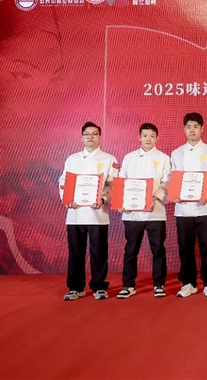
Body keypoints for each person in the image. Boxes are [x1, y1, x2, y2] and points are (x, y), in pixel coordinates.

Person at [59, 122, 118, 301]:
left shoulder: (110, 159)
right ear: (81, 138)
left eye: (94, 134)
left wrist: (103, 200)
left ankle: (99, 287)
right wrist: (68, 200)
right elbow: (63, 181)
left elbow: (114, 185)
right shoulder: (72, 159)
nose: (90, 137)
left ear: (100, 137)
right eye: (87, 134)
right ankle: (75, 287)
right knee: (75, 252)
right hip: (75, 213)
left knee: (98, 252)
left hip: (97, 213)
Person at [116, 123, 171, 299]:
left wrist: (153, 198)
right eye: (145, 135)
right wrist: (121, 201)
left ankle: (159, 285)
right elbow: (121, 181)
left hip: (156, 212)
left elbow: (167, 182)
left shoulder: (164, 158)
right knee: (130, 251)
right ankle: (128, 285)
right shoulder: (129, 157)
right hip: (132, 213)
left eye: (152, 136)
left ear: (157, 138)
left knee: (158, 250)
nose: (148, 139)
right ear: (139, 137)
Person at [170, 113, 207, 298]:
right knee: (185, 247)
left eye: (195, 127)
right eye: (189, 127)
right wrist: (175, 193)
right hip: (183, 209)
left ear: (202, 129)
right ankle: (188, 283)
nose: (192, 130)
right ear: (184, 129)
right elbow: (172, 177)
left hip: (205, 208)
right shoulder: (176, 153)